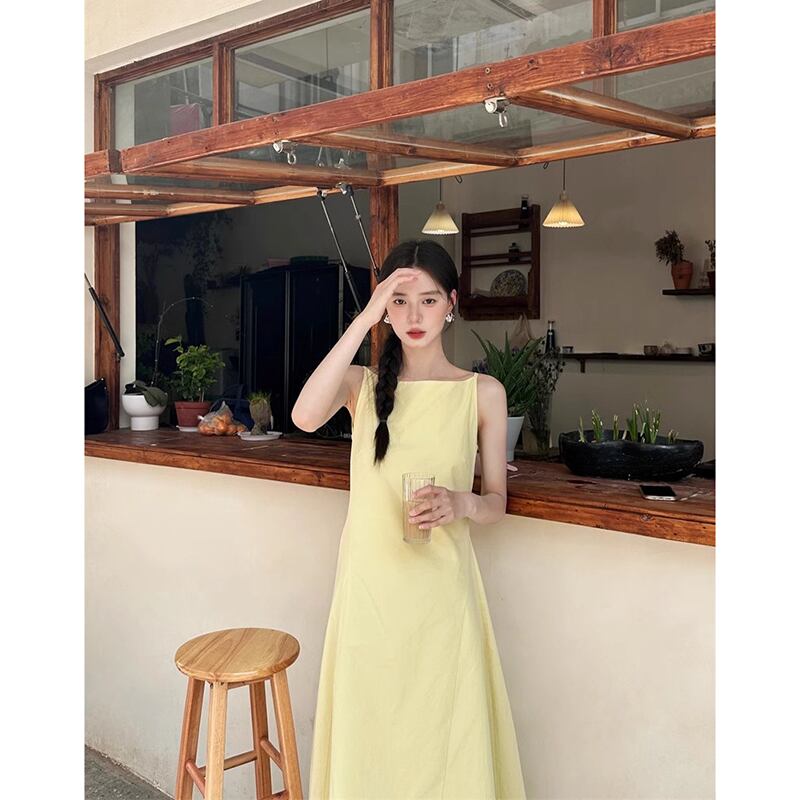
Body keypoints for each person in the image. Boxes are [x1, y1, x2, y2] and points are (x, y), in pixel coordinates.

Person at [292, 239, 527, 798]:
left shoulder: (482, 393)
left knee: (444, 737)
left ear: (451, 304)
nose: (414, 316)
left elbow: (496, 501)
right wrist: (365, 318)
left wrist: (462, 502)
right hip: (369, 593)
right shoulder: (362, 386)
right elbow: (303, 416)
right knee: (372, 736)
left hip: (443, 596)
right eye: (399, 302)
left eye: (428, 300)